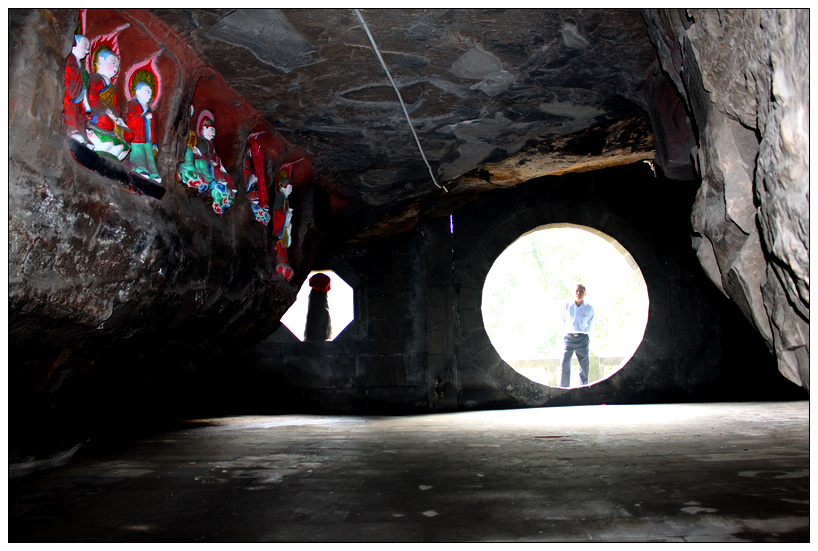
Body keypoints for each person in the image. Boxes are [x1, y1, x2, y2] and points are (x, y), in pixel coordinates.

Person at [86, 48, 133, 160]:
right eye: (113, 62)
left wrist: (118, 119)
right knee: (104, 119)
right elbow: (91, 98)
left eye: (118, 65)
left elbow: (116, 109)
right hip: (98, 114)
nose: (116, 67)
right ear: (101, 61)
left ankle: (112, 149)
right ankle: (101, 145)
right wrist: (106, 112)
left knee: (129, 134)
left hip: (111, 119)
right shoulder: (95, 78)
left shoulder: (112, 88)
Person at [125, 81, 161, 182]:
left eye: (150, 93)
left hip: (147, 136)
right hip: (137, 136)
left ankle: (153, 172)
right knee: (139, 152)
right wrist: (144, 117)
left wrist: (154, 142)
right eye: (147, 92)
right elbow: (130, 117)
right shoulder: (133, 103)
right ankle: (139, 168)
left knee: (149, 155)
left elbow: (152, 126)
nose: (149, 95)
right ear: (137, 92)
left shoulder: (148, 108)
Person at [560, 283, 595, 387]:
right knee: (565, 363)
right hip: (569, 338)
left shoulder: (588, 308)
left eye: (581, 291)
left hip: (582, 338)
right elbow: (562, 320)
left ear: (585, 294)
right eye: (577, 291)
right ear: (574, 292)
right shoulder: (567, 306)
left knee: (584, 365)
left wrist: (584, 332)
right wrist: (566, 331)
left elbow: (591, 323)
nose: (579, 293)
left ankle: (583, 387)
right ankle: (564, 388)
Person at [63, 35, 92, 147]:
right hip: (70, 96)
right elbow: (69, 72)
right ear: (74, 44)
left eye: (88, 48)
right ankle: (72, 130)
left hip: (79, 96)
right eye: (85, 46)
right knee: (70, 111)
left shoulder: (79, 64)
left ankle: (83, 136)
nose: (87, 51)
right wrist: (81, 74)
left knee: (80, 115)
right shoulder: (70, 58)